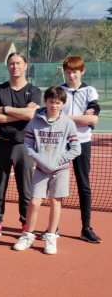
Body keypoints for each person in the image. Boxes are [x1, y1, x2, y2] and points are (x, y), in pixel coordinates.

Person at [13, 86, 80, 254]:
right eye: (51, 102)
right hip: (41, 170)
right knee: (34, 202)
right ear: (45, 101)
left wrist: (59, 161)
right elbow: (28, 145)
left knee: (55, 202)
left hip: (61, 170)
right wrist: (39, 160)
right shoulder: (34, 122)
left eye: (58, 103)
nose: (54, 106)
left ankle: (51, 237)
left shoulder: (68, 124)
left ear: (63, 104)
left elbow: (76, 149)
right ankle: (28, 235)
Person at [0, 52, 42, 239]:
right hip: (0, 145)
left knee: (25, 189)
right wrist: (22, 113)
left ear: (25, 65)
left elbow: (32, 115)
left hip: (24, 146)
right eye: (11, 63)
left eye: (18, 63)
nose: (15, 66)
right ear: (7, 66)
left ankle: (25, 224)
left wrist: (6, 110)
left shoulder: (33, 91)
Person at [60, 56, 102, 243]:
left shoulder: (90, 91)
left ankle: (86, 227)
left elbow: (93, 119)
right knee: (57, 184)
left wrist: (67, 117)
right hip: (62, 142)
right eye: (68, 72)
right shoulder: (59, 91)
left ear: (82, 71)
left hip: (82, 143)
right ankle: (53, 228)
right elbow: (56, 116)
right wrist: (80, 118)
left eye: (74, 72)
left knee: (83, 185)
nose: (71, 75)